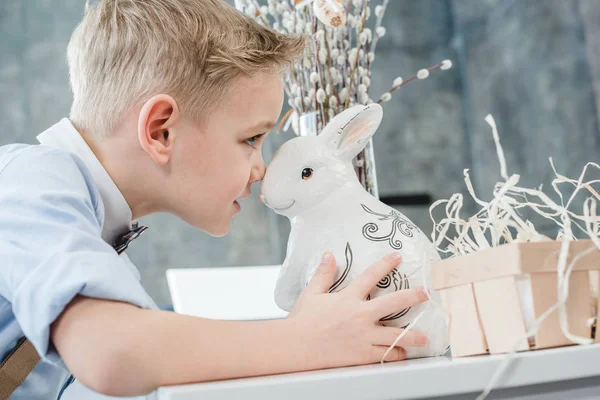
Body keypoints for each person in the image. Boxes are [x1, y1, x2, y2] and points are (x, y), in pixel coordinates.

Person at [0, 0, 430, 398]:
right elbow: (111, 351)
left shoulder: (98, 239)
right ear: (160, 131)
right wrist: (303, 339)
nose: (260, 169)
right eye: (251, 139)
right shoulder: (29, 180)